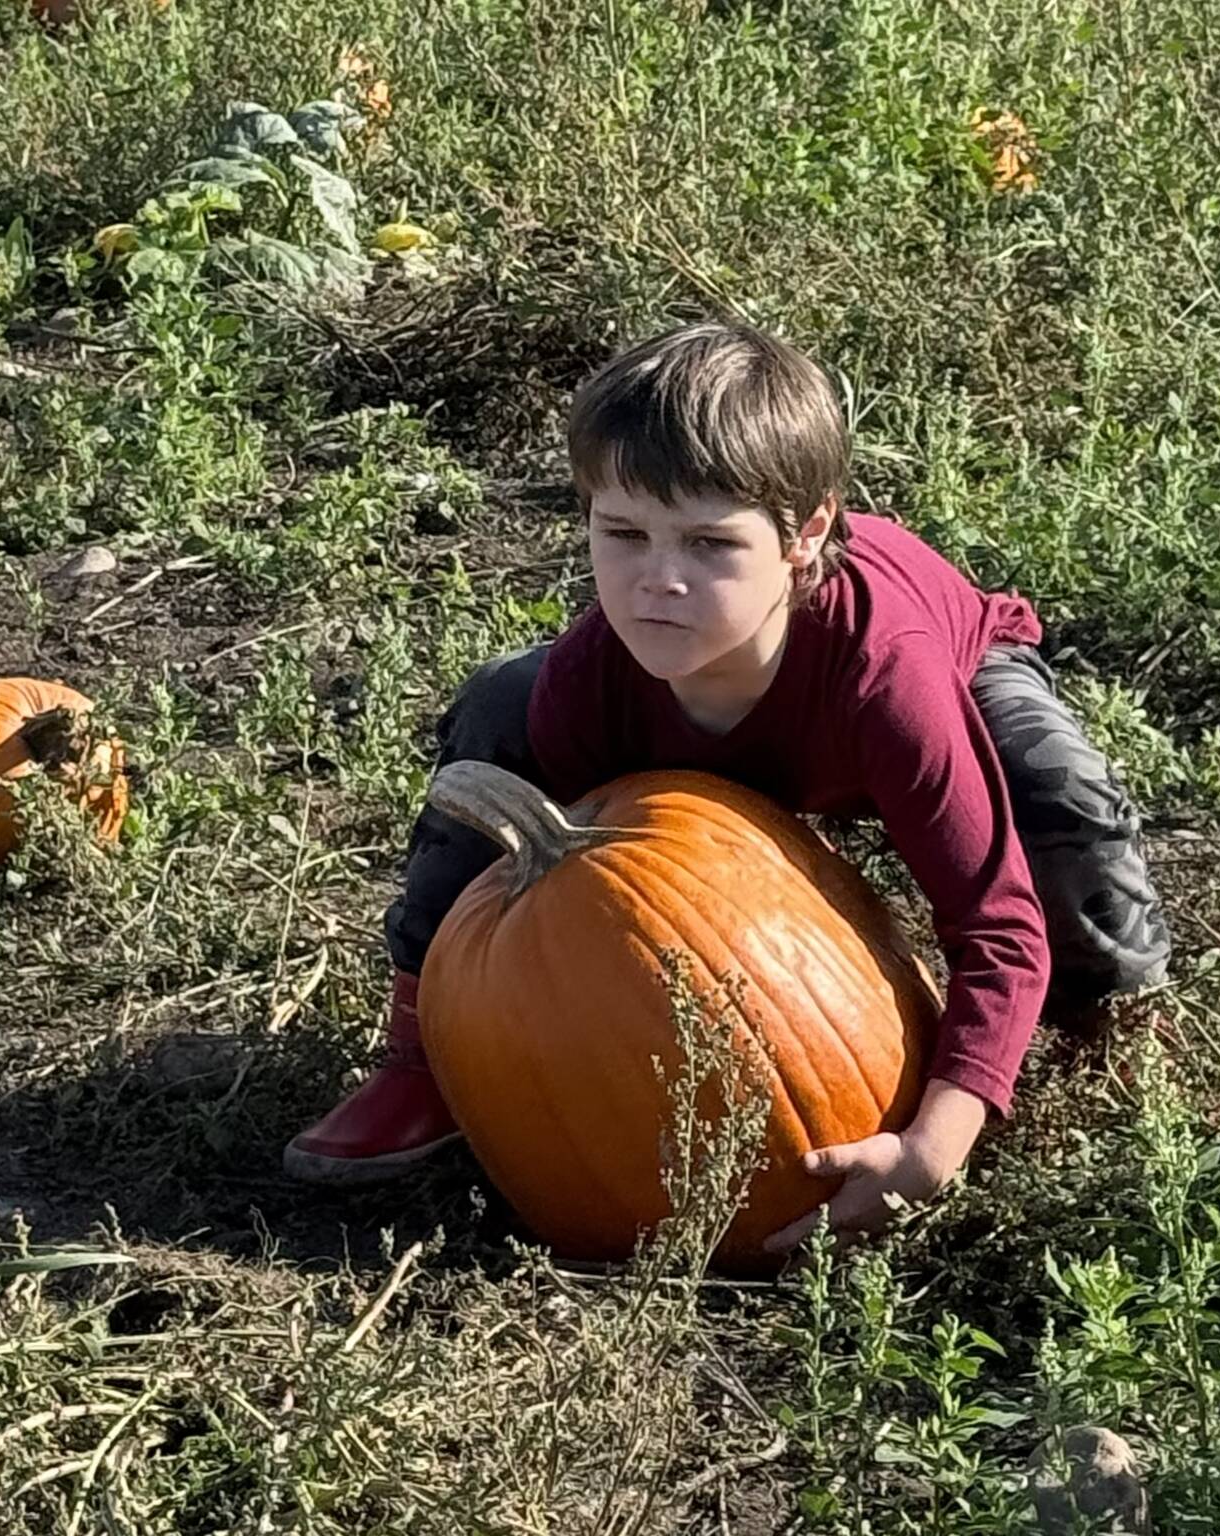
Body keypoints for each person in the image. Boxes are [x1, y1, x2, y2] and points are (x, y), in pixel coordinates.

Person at [282, 320, 1171, 1254]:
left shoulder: (888, 682)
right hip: (719, 746)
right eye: (622, 532)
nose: (657, 581)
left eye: (711, 544)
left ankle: (1102, 1016)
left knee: (1052, 785)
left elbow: (994, 920)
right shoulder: (596, 681)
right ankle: (420, 1054)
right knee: (503, 706)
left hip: (937, 677)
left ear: (806, 533)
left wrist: (933, 1144)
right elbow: (601, 895)